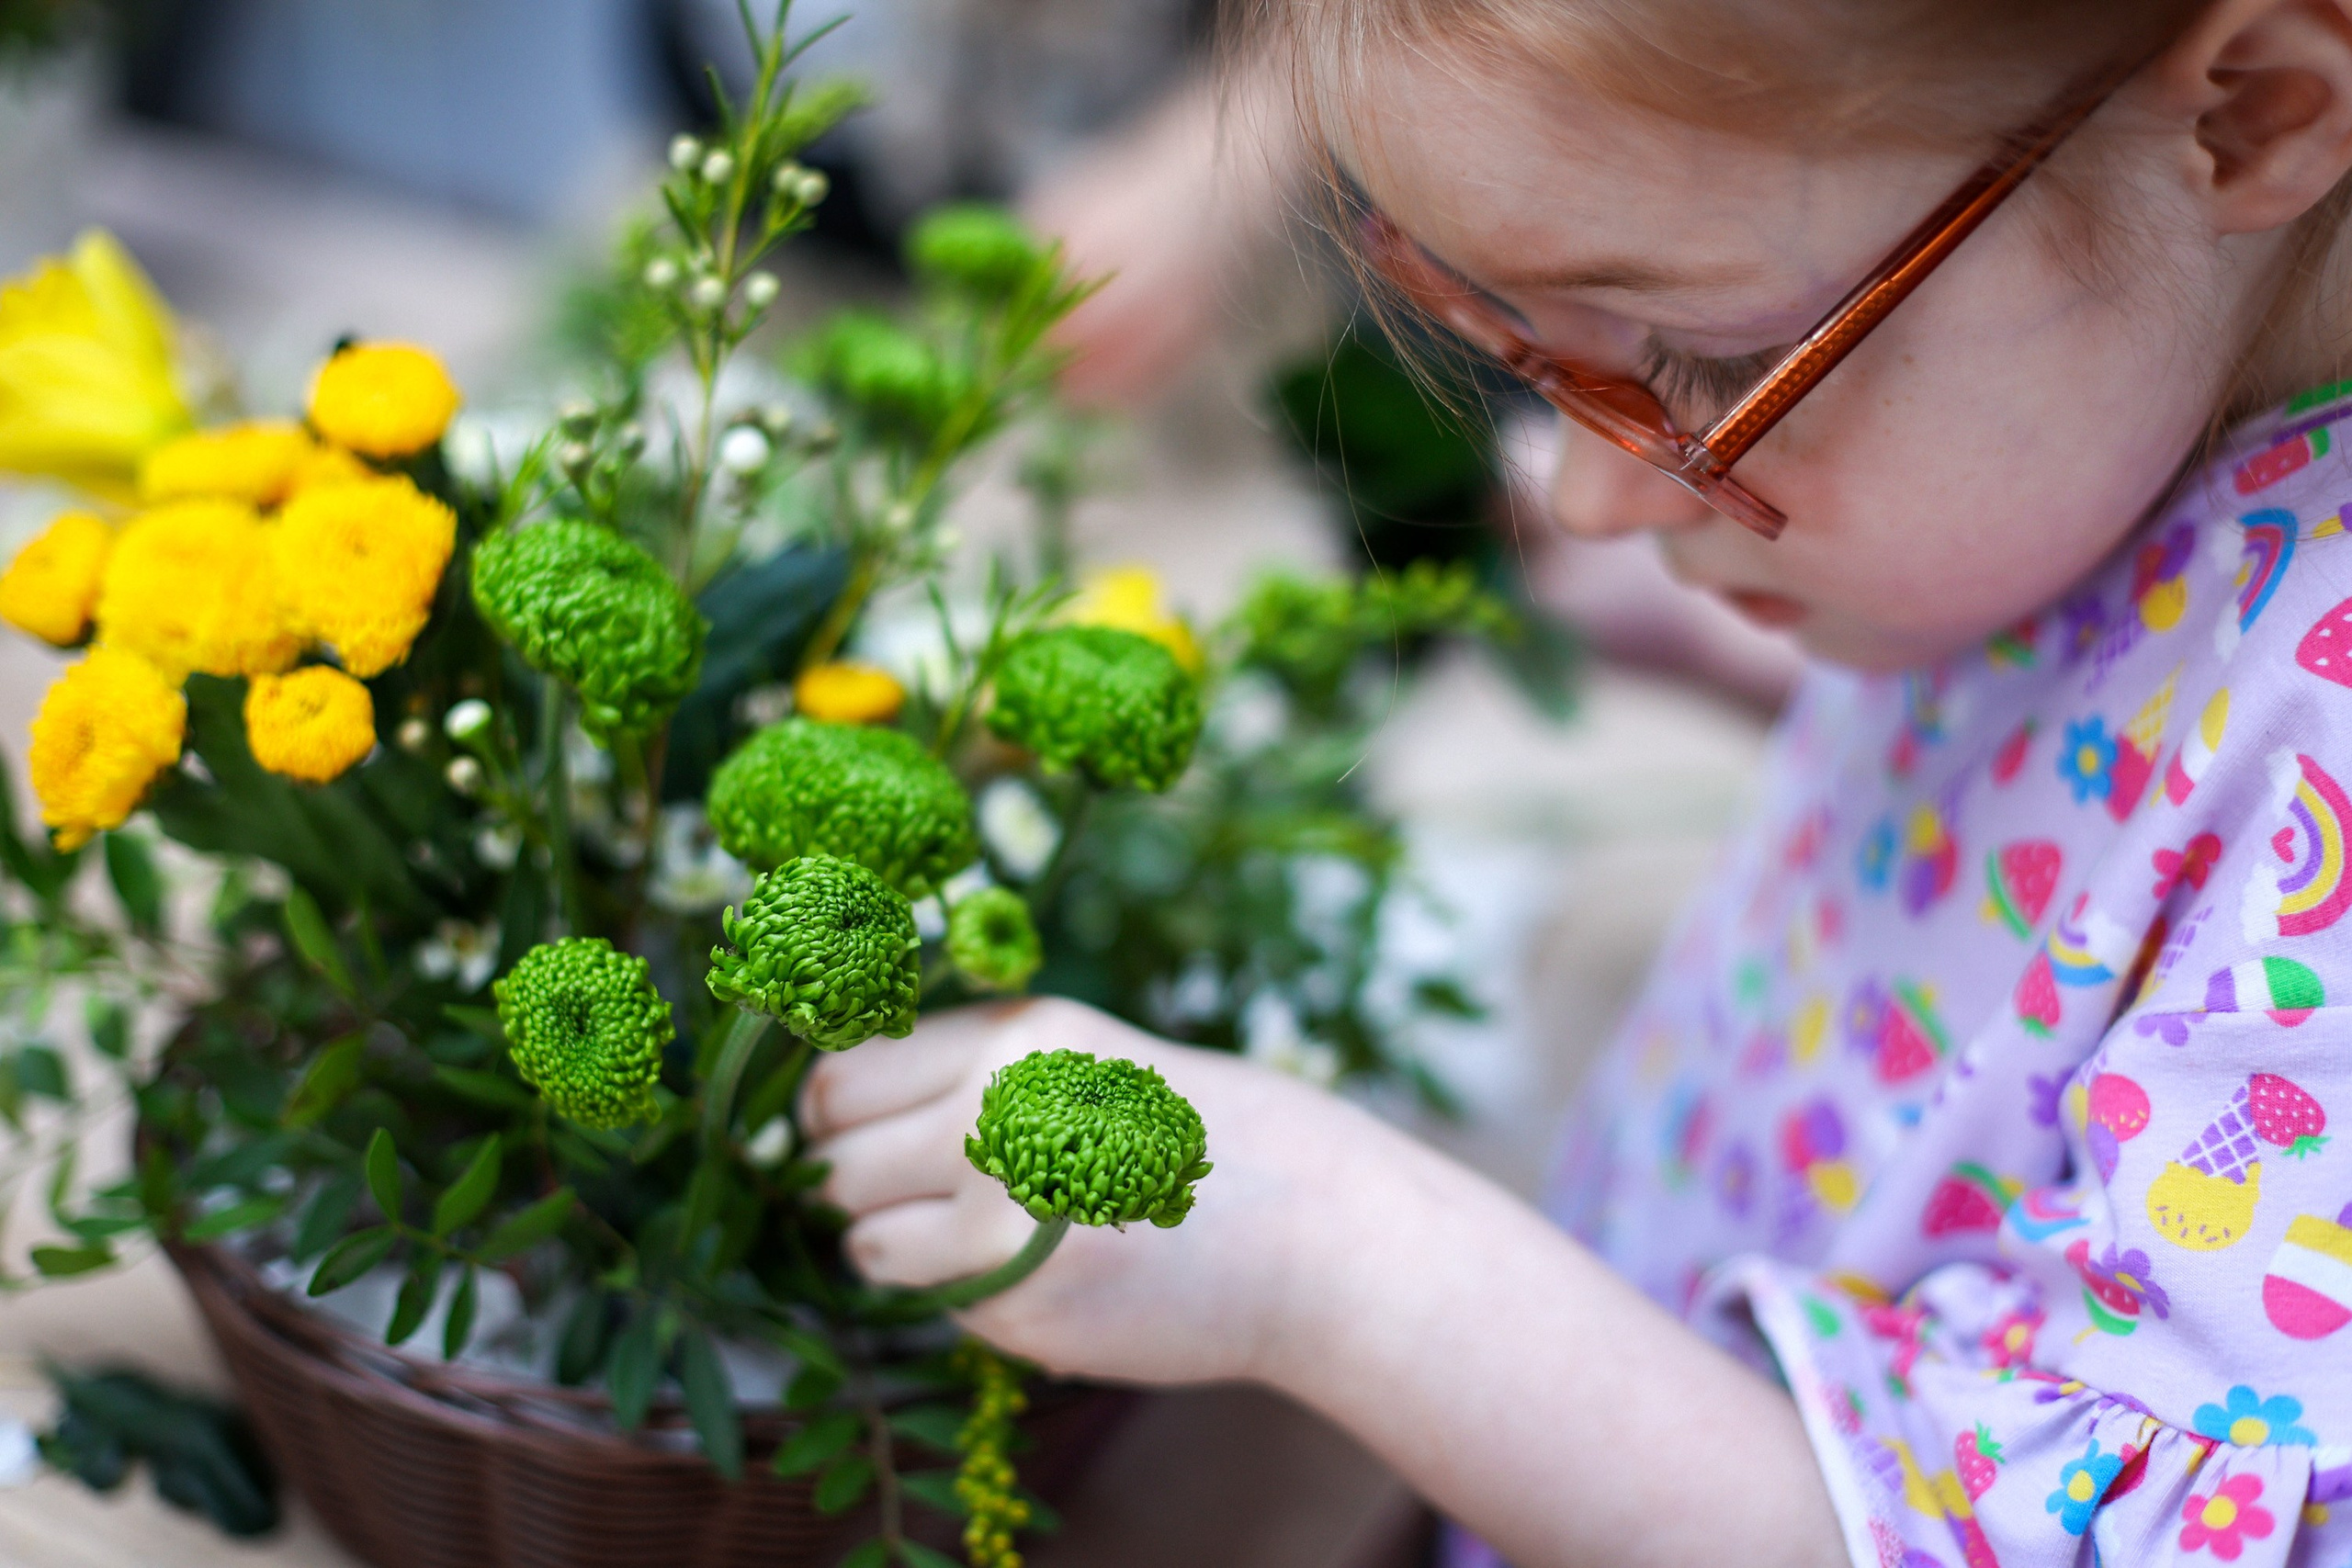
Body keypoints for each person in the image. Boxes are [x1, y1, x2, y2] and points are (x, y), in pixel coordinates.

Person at [801, 1, 2352, 1562]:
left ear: (2256, 113)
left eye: (1705, 357)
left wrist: (1330, 1256)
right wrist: (1778, 660)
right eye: (1507, 331)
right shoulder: (2112, 444)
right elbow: (2119, 739)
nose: (1593, 490)